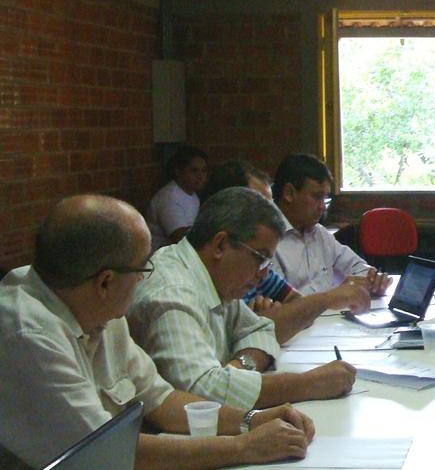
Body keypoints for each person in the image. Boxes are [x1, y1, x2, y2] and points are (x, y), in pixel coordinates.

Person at [0, 195, 314, 470]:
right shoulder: (28, 335)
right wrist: (245, 446)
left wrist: (251, 421)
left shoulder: (97, 306)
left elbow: (161, 399)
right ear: (106, 281)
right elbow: (107, 453)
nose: (144, 280)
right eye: (141, 269)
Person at [129, 188, 357, 410]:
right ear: (220, 245)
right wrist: (309, 384)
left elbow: (262, 330)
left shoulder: (215, 276)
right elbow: (201, 393)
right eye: (260, 258)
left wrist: (239, 367)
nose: (265, 273)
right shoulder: (173, 292)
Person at [202, 159, 371, 340]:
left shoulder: (252, 267)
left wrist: (270, 321)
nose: (273, 216)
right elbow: (248, 336)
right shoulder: (183, 287)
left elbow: (278, 323)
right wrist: (327, 298)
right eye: (261, 209)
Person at [271, 154, 391, 296]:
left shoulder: (320, 234)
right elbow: (281, 302)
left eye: (325, 198)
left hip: (331, 316)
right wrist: (335, 294)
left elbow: (357, 266)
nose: (323, 207)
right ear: (289, 193)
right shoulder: (266, 239)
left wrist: (372, 280)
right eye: (316, 196)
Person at [147, 145, 208, 250]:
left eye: (204, 171)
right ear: (178, 171)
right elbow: (180, 237)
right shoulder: (168, 198)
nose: (200, 176)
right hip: (162, 260)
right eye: (194, 171)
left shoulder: (192, 195)